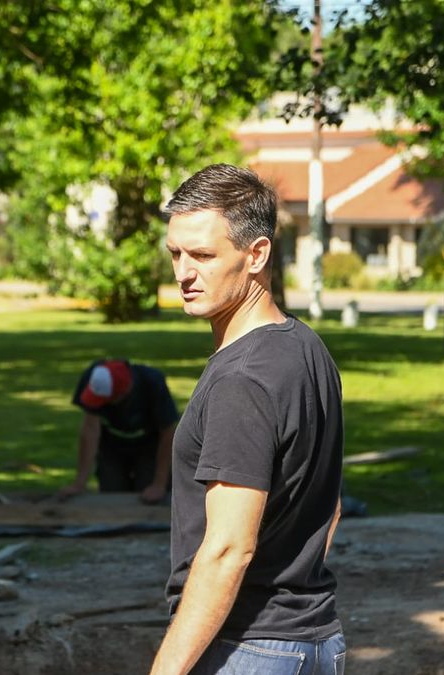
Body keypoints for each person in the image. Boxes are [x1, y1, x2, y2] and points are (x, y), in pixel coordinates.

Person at [151, 164, 345, 675]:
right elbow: (332, 507)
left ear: (256, 254)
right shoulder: (306, 347)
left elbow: (227, 549)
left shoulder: (242, 381)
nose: (183, 273)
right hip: (316, 643)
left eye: (203, 255)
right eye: (176, 253)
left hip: (248, 649)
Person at [56, 358, 179, 504]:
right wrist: (79, 483)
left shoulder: (152, 382)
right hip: (111, 445)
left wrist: (159, 484)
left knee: (149, 496)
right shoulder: (93, 378)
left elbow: (168, 434)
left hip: (150, 445)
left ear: (123, 393)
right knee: (111, 495)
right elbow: (90, 429)